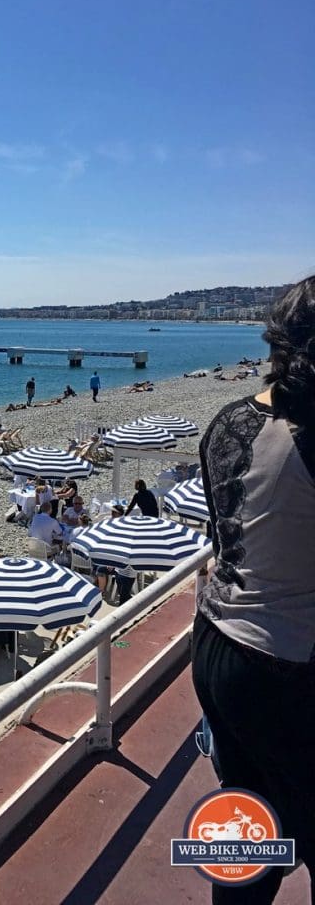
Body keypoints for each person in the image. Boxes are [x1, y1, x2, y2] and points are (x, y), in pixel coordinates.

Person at [192, 275, 315, 905]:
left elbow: (227, 540)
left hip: (219, 647)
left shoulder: (229, 422)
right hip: (290, 666)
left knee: (250, 835)